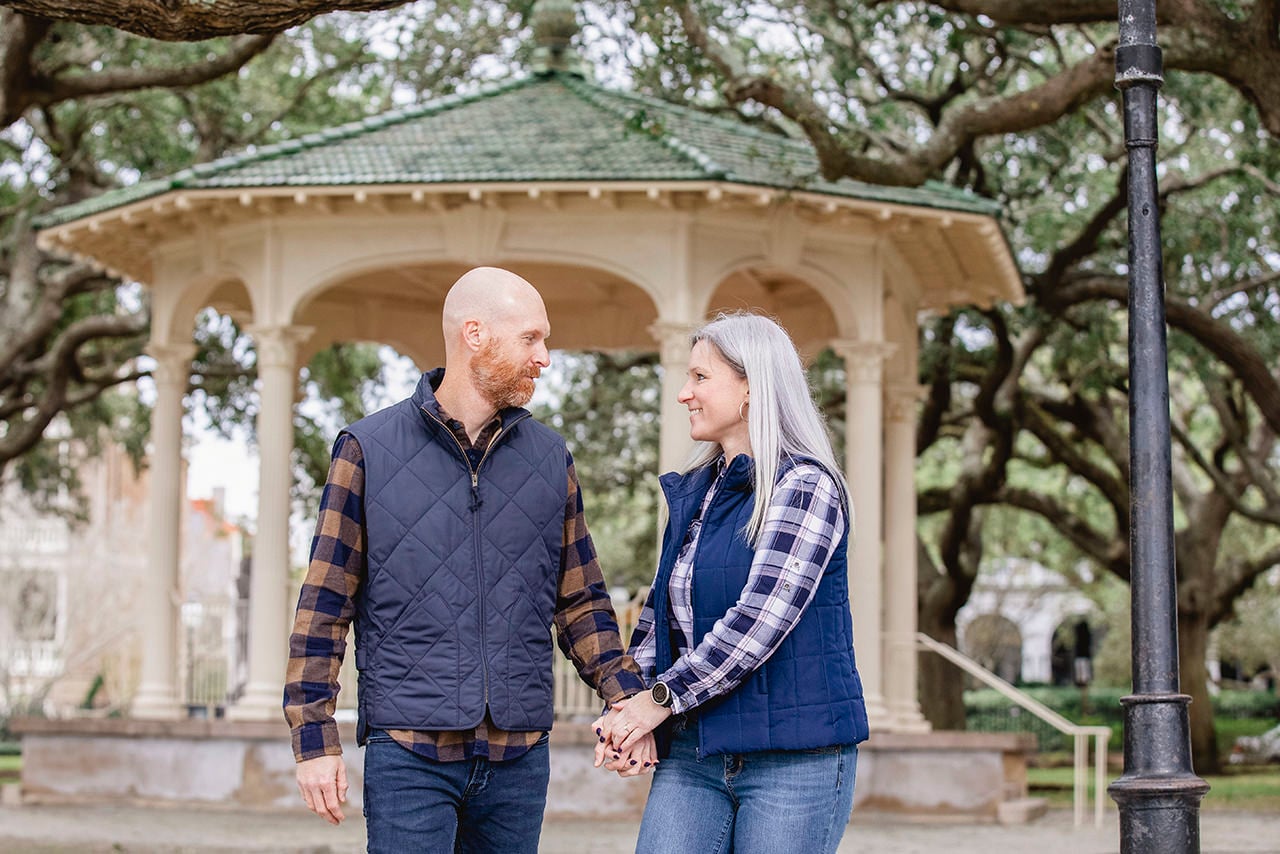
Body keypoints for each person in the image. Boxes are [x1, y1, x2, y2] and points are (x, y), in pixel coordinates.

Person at [283, 266, 645, 853]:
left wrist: (625, 696)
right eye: (530, 338)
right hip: (409, 752)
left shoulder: (551, 458)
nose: (544, 357)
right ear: (474, 334)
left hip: (519, 756)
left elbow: (581, 600)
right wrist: (313, 739)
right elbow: (324, 605)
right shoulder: (367, 449)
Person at [594, 311, 869, 853]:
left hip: (793, 761)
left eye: (700, 377)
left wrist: (659, 700)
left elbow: (758, 622)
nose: (684, 393)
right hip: (695, 752)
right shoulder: (696, 493)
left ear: (751, 387)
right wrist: (627, 712)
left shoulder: (805, 486)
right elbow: (658, 619)